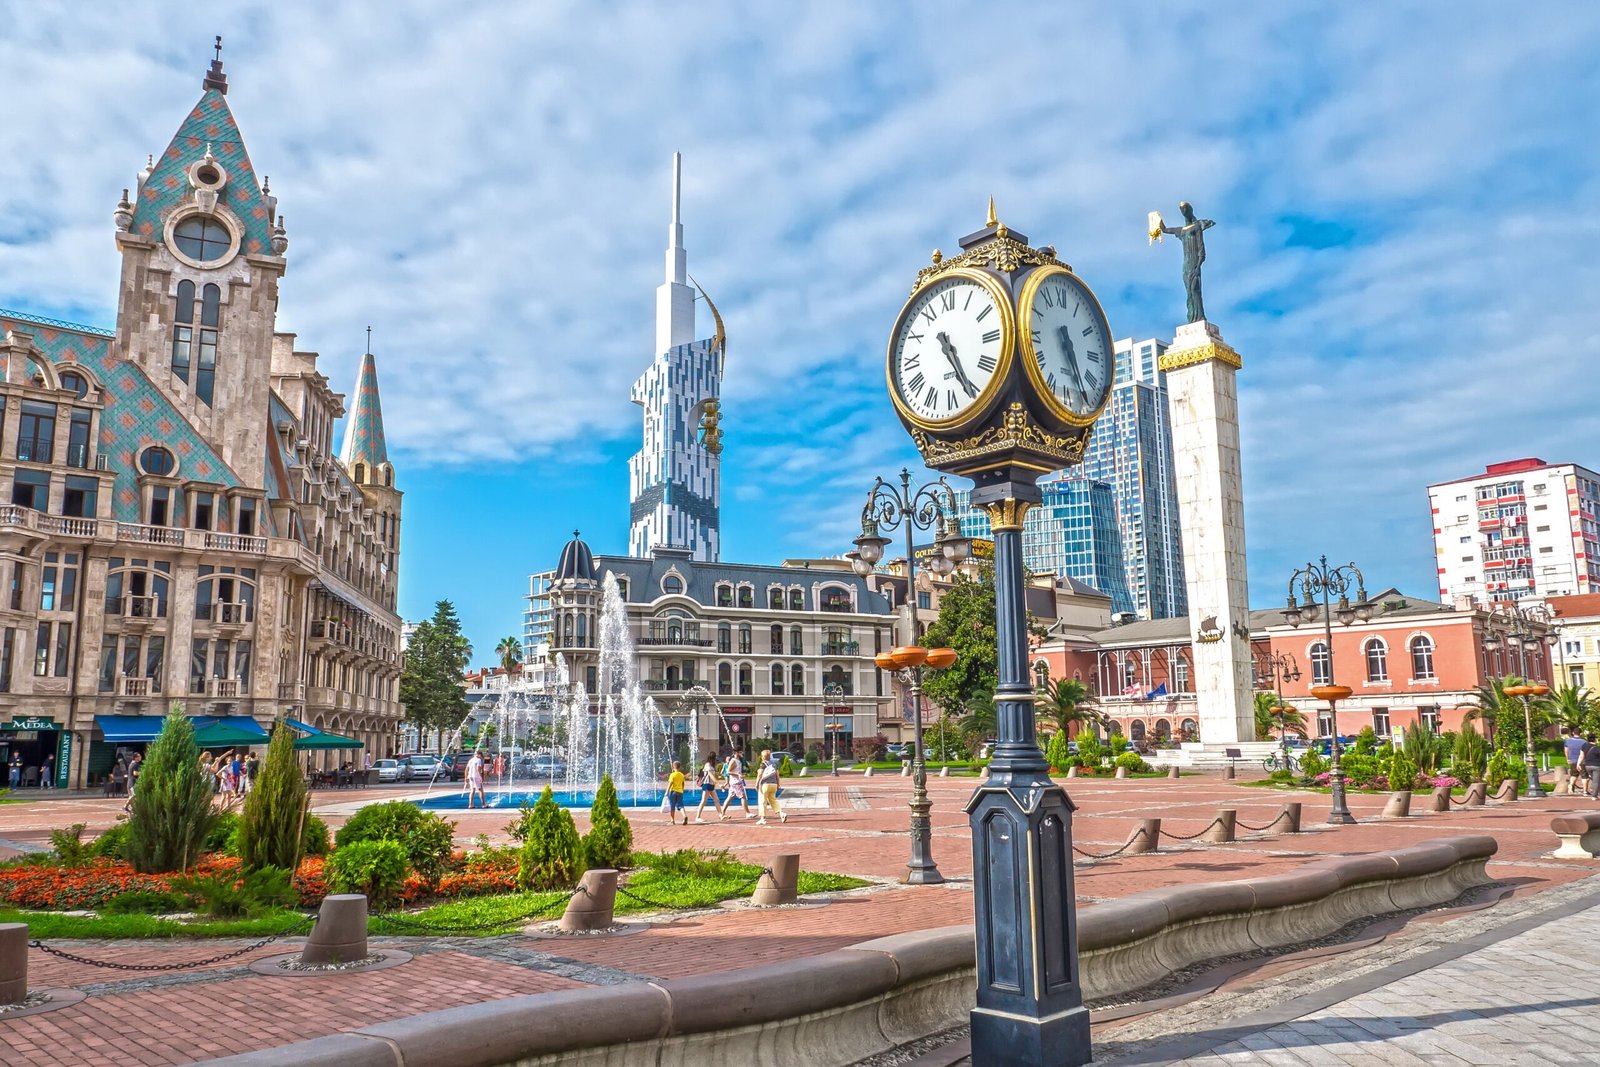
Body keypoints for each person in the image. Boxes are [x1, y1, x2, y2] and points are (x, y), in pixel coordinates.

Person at [756, 749, 785, 825]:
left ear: (762, 757)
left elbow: (760, 775)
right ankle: (781, 813)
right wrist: (778, 784)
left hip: (765, 785)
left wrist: (757, 784)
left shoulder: (763, 764)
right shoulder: (774, 764)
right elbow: (777, 775)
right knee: (773, 800)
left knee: (762, 801)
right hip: (774, 785)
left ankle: (763, 818)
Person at [693, 753, 724, 823]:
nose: (716, 760)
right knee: (703, 801)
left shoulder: (712, 766)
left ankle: (720, 815)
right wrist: (719, 784)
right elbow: (710, 775)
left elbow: (713, 775)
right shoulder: (707, 765)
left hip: (711, 785)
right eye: (715, 758)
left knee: (716, 800)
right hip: (706, 784)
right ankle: (697, 817)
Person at [720, 750, 751, 819]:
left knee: (730, 797)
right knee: (743, 797)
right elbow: (728, 771)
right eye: (740, 752)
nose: (742, 753)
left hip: (735, 782)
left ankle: (722, 813)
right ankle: (747, 813)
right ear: (736, 752)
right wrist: (738, 774)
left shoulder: (738, 760)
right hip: (736, 782)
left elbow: (737, 770)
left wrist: (742, 774)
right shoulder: (733, 761)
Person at [665, 760, 687, 825]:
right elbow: (683, 784)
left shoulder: (672, 775)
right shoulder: (682, 775)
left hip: (673, 792)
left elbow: (670, 783)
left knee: (672, 805)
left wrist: (667, 791)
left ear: (673, 767)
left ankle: (672, 820)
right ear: (679, 767)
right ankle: (684, 816)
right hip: (680, 792)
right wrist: (682, 790)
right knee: (680, 805)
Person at [1565, 728, 1586, 794]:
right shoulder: (1584, 742)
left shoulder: (1568, 741)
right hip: (1582, 760)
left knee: (1574, 774)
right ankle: (1585, 790)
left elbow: (1566, 751)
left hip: (1572, 760)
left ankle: (1571, 785)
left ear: (1573, 733)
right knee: (1584, 776)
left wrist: (1567, 758)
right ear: (1581, 733)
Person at [1582, 733, 1600, 799]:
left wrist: (1578, 763)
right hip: (1596, 766)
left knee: (1594, 779)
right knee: (1596, 781)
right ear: (1595, 739)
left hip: (1587, 765)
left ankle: (1595, 791)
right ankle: (1594, 795)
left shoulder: (1584, 746)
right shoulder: (1597, 748)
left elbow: (1581, 756)